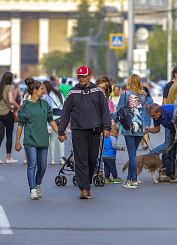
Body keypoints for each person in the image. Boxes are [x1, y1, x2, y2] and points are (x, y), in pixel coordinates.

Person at [58, 66, 111, 199]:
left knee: (92, 159)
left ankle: (86, 182)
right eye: (79, 76)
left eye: (84, 76)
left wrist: (107, 127)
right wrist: (61, 130)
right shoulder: (72, 93)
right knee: (81, 159)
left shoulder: (98, 91)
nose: (81, 78)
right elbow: (65, 112)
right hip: (78, 131)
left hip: (95, 131)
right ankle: (85, 189)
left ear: (89, 76)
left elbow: (105, 110)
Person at [15, 78, 59, 200]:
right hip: (30, 140)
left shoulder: (44, 104)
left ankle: (38, 183)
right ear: (34, 91)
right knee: (32, 164)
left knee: (43, 166)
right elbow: (20, 125)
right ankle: (32, 189)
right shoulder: (25, 106)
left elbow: (51, 120)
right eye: (41, 89)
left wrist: (60, 133)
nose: (43, 92)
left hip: (43, 139)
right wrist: (17, 141)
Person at [114, 74, 146, 189]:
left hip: (130, 127)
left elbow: (119, 110)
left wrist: (110, 118)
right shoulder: (143, 94)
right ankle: (129, 178)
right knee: (133, 154)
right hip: (141, 127)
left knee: (132, 154)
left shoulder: (125, 94)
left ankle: (133, 180)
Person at [146, 103, 177, 183]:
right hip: (172, 131)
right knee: (168, 151)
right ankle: (170, 175)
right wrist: (149, 130)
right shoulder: (156, 117)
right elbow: (157, 129)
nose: (153, 118)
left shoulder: (169, 111)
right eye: (151, 116)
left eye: (153, 115)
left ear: (159, 111)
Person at [0, 73, 19, 164]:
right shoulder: (9, 87)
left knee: (0, 136)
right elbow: (11, 100)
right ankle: (8, 158)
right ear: (10, 79)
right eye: (12, 78)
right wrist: (18, 107)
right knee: (9, 136)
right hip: (7, 114)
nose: (13, 79)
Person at [43, 80, 65, 165]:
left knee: (52, 139)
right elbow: (64, 105)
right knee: (61, 138)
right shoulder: (59, 94)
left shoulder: (46, 96)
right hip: (60, 117)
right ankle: (62, 159)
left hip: (51, 118)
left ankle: (52, 160)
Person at [139, 86, 153, 150]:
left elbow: (153, 107)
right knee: (141, 132)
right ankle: (142, 145)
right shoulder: (139, 98)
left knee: (146, 131)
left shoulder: (150, 99)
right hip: (140, 117)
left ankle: (145, 144)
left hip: (147, 117)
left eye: (145, 92)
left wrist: (149, 106)